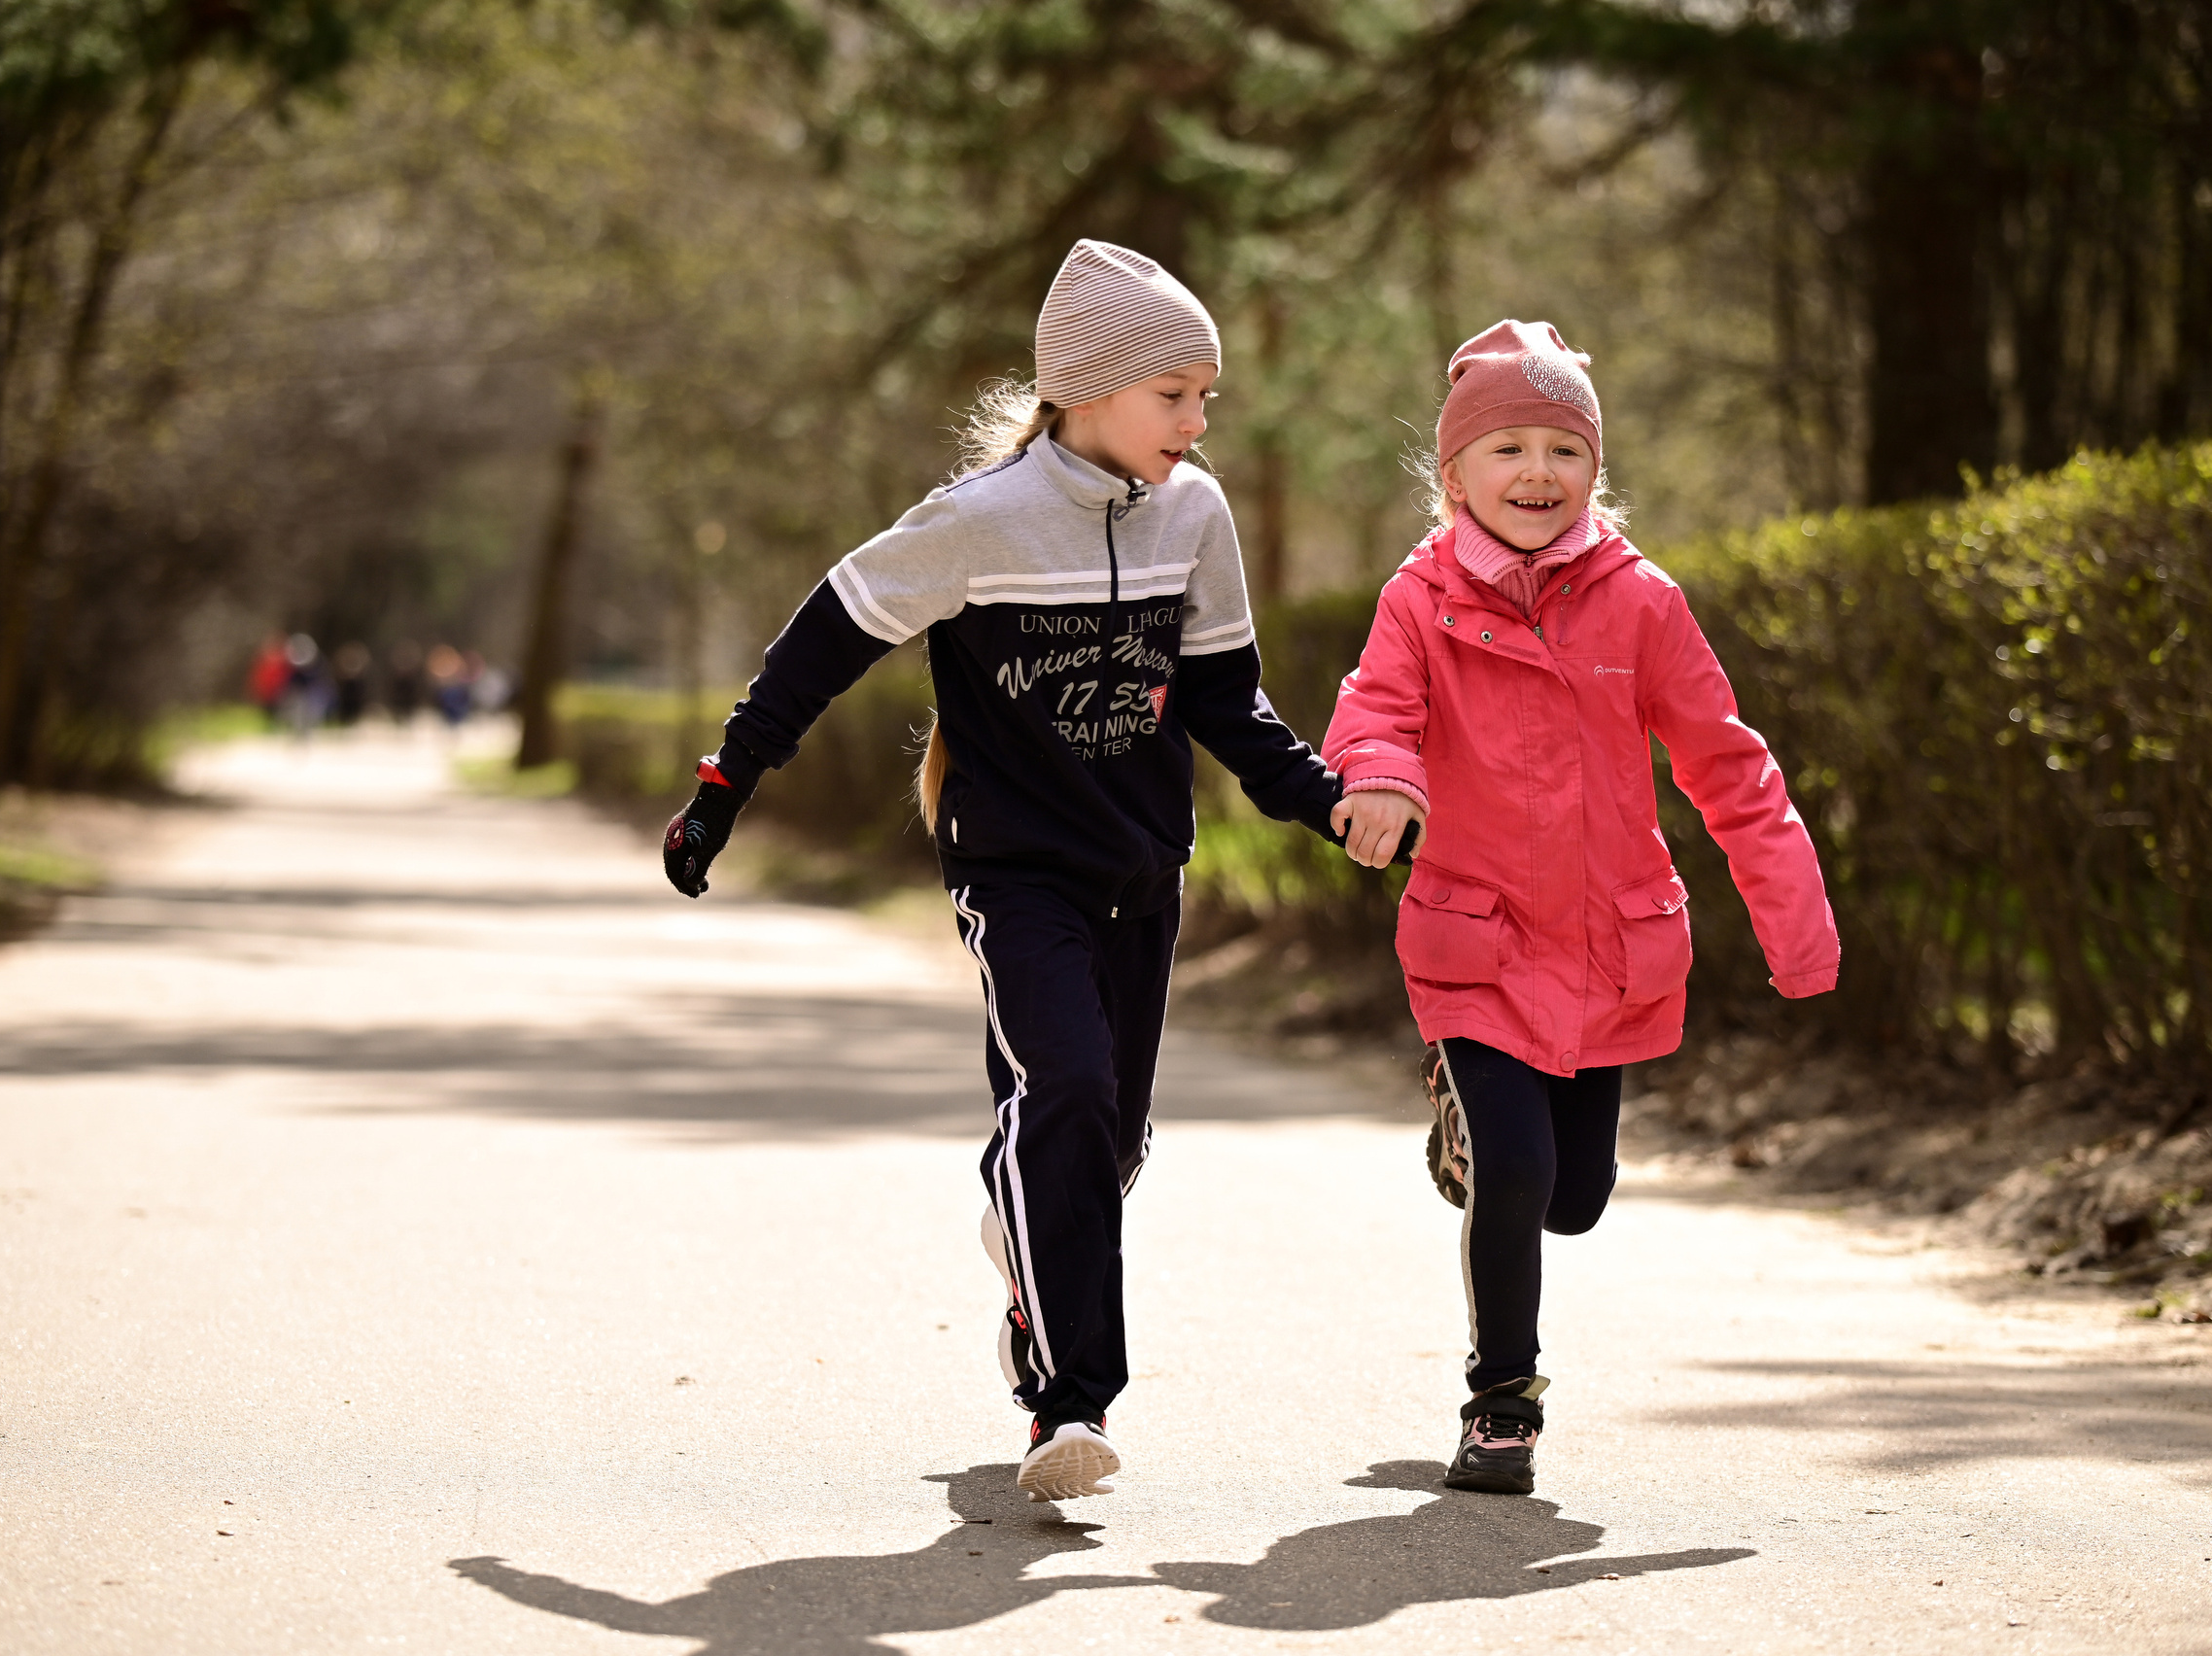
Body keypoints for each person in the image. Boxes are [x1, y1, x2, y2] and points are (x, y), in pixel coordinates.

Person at [661, 240, 1364, 1502]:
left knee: (1107, 1142)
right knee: (1073, 1094)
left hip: (1143, 873)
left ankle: (1019, 1227)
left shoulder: (1196, 517)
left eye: (1207, 396)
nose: (1199, 423)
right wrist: (726, 788)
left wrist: (1332, 805)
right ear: (1091, 390)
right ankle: (1069, 1406)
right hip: (1015, 871)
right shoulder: (977, 525)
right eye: (1176, 396)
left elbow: (1228, 706)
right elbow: (818, 649)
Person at [1322, 320, 1841, 1497]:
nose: (1537, 474)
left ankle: (1475, 1145)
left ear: (1593, 469)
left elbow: (1728, 766)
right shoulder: (1420, 600)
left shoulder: (1641, 603)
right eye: (1506, 449)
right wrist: (1383, 783)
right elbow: (1374, 713)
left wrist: (1795, 933)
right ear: (1453, 476)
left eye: (1561, 448)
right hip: (1476, 940)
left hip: (1610, 950)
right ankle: (1501, 1403)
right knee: (1515, 1170)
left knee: (1576, 1198)